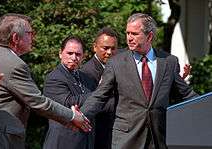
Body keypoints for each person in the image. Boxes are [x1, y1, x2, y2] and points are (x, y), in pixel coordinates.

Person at [81, 13, 198, 149]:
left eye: (134, 34)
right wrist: (79, 116)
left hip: (158, 139)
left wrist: (206, 109)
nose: (129, 38)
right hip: (126, 139)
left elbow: (186, 94)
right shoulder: (116, 62)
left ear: (149, 36)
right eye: (128, 33)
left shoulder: (169, 62)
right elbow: (99, 96)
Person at [0, 13, 91, 149]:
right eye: (30, 33)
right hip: (2, 138)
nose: (33, 37)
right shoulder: (15, 65)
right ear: (15, 38)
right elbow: (38, 102)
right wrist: (72, 116)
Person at [43, 36, 94, 149]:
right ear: (60, 53)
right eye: (69, 53)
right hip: (63, 141)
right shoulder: (54, 78)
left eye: (78, 54)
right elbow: (68, 102)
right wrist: (99, 93)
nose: (74, 57)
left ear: (83, 56)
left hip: (85, 141)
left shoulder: (87, 78)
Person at [80, 27, 118, 149]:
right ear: (95, 47)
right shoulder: (87, 72)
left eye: (113, 48)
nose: (109, 52)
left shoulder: (118, 66)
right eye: (105, 48)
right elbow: (90, 103)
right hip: (98, 134)